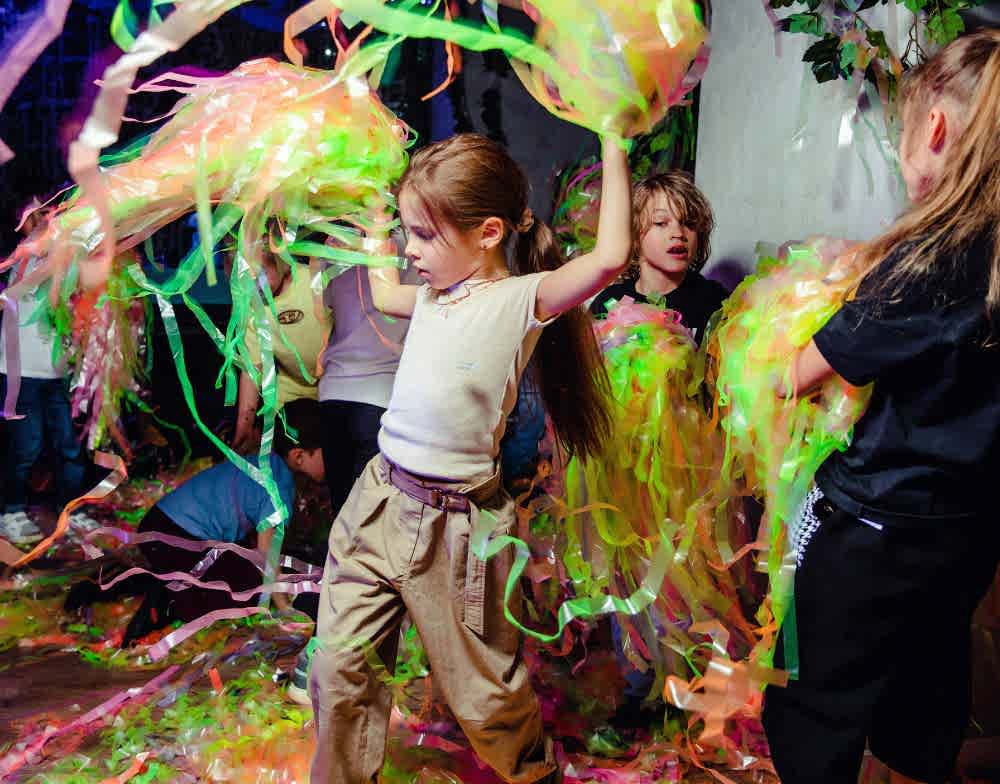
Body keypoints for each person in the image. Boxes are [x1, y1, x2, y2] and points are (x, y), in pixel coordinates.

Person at [306, 132, 631, 784]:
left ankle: (532, 775)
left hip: (456, 529)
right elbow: (384, 292)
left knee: (486, 700)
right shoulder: (431, 293)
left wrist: (613, 137)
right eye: (408, 233)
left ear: (488, 233)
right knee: (339, 670)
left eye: (424, 235)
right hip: (378, 501)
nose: (410, 250)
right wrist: (376, 224)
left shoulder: (521, 299)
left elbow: (609, 258)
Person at [762, 30, 1000, 784]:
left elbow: (794, 376)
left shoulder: (929, 259)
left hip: (872, 526)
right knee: (925, 690)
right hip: (968, 528)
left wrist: (783, 317)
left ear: (936, 128)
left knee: (807, 701)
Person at [68, 399, 326, 646]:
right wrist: (283, 607)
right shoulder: (278, 489)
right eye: (328, 454)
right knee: (238, 593)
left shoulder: (266, 463)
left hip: (162, 524)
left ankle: (133, 581)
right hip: (178, 535)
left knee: (235, 575)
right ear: (299, 456)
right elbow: (267, 555)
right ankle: (155, 604)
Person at [0, 205, 96, 547]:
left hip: (57, 373)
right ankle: (10, 511)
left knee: (68, 445)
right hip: (21, 372)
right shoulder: (23, 258)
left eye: (49, 213)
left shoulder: (66, 260)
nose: (44, 220)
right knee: (26, 445)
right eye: (35, 214)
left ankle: (70, 509)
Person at [589, 170, 727, 344]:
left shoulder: (714, 301)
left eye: (688, 223)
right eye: (661, 223)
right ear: (634, 234)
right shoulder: (608, 302)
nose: (678, 233)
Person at [231, 225, 334, 453]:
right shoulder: (252, 308)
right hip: (292, 390)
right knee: (284, 448)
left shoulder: (313, 280)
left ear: (278, 259)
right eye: (245, 279)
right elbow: (252, 369)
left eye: (259, 275)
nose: (254, 285)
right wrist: (245, 422)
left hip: (335, 382)